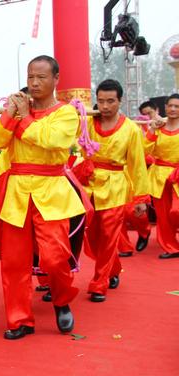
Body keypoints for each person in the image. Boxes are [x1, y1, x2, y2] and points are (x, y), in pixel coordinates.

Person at [0, 55, 83, 340]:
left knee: (54, 258)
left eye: (41, 77)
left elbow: (53, 140)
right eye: (31, 77)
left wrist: (22, 119)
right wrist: (9, 115)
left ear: (56, 80)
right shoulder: (17, 112)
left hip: (52, 191)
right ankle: (19, 320)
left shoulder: (66, 113)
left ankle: (62, 298)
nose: (34, 82)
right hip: (17, 192)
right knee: (14, 262)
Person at [77, 79, 148, 302]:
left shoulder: (131, 129)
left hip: (116, 187)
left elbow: (137, 165)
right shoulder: (87, 121)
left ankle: (99, 283)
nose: (105, 106)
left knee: (109, 236)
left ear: (120, 101)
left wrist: (141, 197)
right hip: (89, 185)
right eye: (101, 101)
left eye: (110, 101)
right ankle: (113, 268)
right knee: (93, 236)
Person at [117, 101, 157, 257]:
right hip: (117, 175)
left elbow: (144, 152)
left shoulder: (133, 128)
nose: (146, 117)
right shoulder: (96, 129)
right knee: (117, 214)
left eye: (149, 113)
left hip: (137, 173)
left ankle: (144, 230)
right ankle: (124, 247)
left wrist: (152, 129)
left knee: (133, 211)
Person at [145, 94, 179, 259]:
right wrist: (151, 130)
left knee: (176, 211)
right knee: (163, 215)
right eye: (170, 106)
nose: (173, 109)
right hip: (159, 175)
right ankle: (171, 247)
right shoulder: (158, 128)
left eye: (177, 106)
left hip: (177, 174)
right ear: (165, 107)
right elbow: (145, 150)